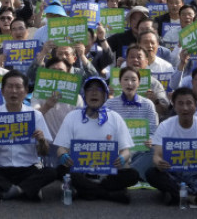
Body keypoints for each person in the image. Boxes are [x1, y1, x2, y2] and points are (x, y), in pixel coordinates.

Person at [0, 69, 56, 202]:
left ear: (25, 91)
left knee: (51, 172)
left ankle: (2, 190)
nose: (14, 91)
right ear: (2, 91)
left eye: (18, 87)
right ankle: (25, 190)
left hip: (28, 169)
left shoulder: (35, 115)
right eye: (10, 87)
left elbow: (44, 152)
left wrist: (41, 141)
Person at [53, 75, 138, 204]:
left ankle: (85, 191)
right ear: (84, 94)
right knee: (61, 170)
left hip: (107, 175)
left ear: (105, 95)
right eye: (90, 89)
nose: (94, 93)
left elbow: (126, 150)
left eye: (98, 89)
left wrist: (121, 158)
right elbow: (61, 148)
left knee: (133, 175)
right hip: (80, 173)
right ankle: (108, 195)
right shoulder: (72, 117)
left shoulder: (115, 117)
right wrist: (64, 156)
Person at [146, 86, 197, 207]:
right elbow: (157, 156)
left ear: (195, 105)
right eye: (180, 103)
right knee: (151, 173)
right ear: (174, 105)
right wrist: (159, 163)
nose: (185, 108)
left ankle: (177, 195)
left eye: (189, 103)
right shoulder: (165, 126)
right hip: (173, 174)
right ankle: (194, 198)